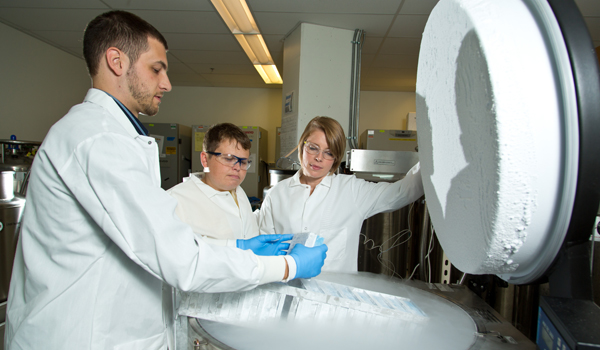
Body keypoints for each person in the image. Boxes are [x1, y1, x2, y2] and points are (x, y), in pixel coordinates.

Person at [4, 11, 327, 350]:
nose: (167, 83)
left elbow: (156, 243)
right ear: (116, 61)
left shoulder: (111, 136)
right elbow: (179, 259)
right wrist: (288, 265)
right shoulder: (98, 140)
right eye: (156, 68)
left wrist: (237, 247)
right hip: (83, 335)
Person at [256, 116, 423, 273]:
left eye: (328, 153)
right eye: (313, 148)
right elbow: (264, 251)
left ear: (336, 158)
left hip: (337, 297)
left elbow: (402, 192)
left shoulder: (351, 190)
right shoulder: (276, 194)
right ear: (302, 145)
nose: (318, 158)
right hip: (289, 291)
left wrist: (432, 158)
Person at [167, 123, 290, 254]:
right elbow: (175, 255)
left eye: (243, 162)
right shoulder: (175, 201)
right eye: (228, 159)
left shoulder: (238, 191)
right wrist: (237, 247)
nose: (237, 167)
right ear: (205, 159)